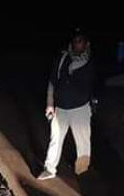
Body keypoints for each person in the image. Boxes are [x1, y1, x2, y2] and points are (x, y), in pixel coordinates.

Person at [38, 28, 95, 180]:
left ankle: (82, 170)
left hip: (80, 108)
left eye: (80, 41)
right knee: (55, 139)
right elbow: (52, 82)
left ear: (86, 44)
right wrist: (50, 104)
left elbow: (95, 86)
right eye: (75, 41)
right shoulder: (62, 59)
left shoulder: (90, 62)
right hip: (61, 108)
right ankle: (49, 168)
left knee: (83, 141)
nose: (77, 44)